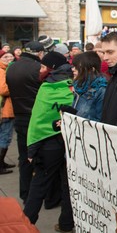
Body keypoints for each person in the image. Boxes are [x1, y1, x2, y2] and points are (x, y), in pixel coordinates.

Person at [24, 51, 74, 232]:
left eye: (44, 66)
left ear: (53, 68)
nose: (41, 69)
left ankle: (25, 225)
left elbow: (37, 121)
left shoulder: (46, 88)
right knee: (68, 185)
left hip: (47, 145)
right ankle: (67, 224)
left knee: (38, 187)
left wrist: (31, 149)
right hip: (70, 142)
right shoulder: (75, 86)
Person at [5, 41, 45, 201]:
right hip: (36, 118)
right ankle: (39, 194)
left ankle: (25, 193)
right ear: (40, 53)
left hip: (20, 116)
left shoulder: (12, 67)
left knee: (24, 157)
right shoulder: (38, 68)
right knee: (40, 157)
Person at [71, 51, 107, 121]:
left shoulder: (101, 90)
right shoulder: (79, 86)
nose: (73, 69)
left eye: (78, 67)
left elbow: (101, 120)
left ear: (91, 69)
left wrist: (77, 121)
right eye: (74, 66)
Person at [0, 49, 16, 174]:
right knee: (5, 137)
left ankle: (2, 162)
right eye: (6, 57)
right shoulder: (1, 71)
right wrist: (17, 87)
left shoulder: (5, 70)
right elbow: (3, 90)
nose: (9, 60)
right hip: (5, 110)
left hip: (6, 109)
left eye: (11, 57)